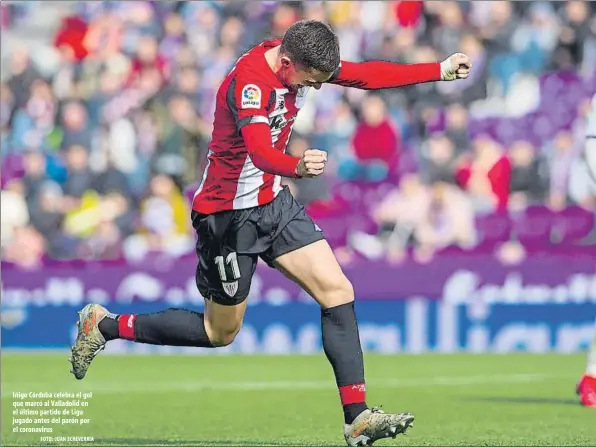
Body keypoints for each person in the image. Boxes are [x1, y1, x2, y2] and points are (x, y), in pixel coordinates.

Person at [69, 20, 471, 446]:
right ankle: (105, 326)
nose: (314, 89)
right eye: (310, 82)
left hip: (272, 204)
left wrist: (439, 70)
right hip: (226, 217)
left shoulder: (299, 56)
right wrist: (296, 166)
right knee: (218, 333)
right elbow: (260, 152)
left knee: (337, 290)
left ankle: (357, 418)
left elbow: (365, 75)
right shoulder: (251, 84)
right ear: (286, 64)